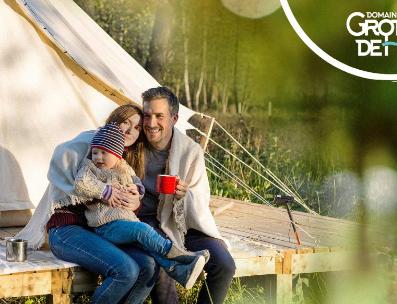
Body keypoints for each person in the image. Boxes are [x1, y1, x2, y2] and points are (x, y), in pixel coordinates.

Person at [17, 103, 158, 304]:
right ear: (114, 121)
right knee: (126, 270)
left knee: (148, 266)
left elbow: (118, 208)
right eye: (126, 122)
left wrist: (134, 200)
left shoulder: (123, 161)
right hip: (68, 229)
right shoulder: (92, 141)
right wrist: (101, 191)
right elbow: (61, 156)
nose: (129, 130)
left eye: (136, 127)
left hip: (101, 230)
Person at [73, 123, 209, 290]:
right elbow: (81, 184)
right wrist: (106, 191)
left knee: (150, 247)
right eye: (95, 152)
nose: (98, 157)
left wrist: (137, 190)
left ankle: (180, 271)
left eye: (104, 153)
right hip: (105, 226)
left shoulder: (124, 167)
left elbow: (137, 182)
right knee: (142, 230)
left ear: (117, 155)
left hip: (126, 223)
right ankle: (183, 255)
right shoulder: (90, 167)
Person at [139, 86, 236, 304]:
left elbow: (201, 200)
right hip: (146, 222)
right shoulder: (134, 145)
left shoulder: (190, 151)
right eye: (147, 115)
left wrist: (185, 195)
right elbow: (101, 142)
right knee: (163, 264)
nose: (151, 123)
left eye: (159, 116)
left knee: (224, 264)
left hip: (182, 222)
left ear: (174, 118)